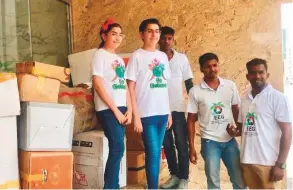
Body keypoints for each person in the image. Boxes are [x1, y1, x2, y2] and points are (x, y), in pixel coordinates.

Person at [227, 58, 292, 189]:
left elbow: (287, 132)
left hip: (268, 163)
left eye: (261, 72)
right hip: (247, 161)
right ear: (247, 76)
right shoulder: (244, 100)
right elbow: (242, 129)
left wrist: (280, 164)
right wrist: (234, 132)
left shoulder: (278, 98)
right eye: (253, 72)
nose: (257, 76)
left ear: (267, 75)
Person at [187, 53, 246, 189]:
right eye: (208, 67)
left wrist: (238, 131)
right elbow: (191, 120)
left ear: (218, 65)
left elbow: (237, 110)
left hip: (229, 140)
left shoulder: (229, 86)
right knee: (213, 182)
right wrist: (191, 147)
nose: (212, 69)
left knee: (239, 179)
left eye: (214, 65)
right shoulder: (195, 91)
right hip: (209, 142)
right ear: (201, 69)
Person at [126, 18, 172, 189]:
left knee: (157, 153)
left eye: (157, 31)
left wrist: (169, 113)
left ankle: (151, 184)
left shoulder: (162, 57)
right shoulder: (137, 56)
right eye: (150, 31)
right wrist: (135, 117)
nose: (154, 34)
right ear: (142, 34)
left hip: (162, 113)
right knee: (152, 153)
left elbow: (165, 86)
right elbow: (130, 88)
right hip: (146, 113)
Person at [92, 18, 132, 189]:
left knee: (118, 148)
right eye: (113, 34)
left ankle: (112, 185)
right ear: (103, 35)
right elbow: (98, 84)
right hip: (108, 109)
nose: (117, 38)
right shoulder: (99, 55)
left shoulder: (118, 58)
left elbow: (123, 85)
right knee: (117, 148)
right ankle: (110, 187)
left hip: (121, 107)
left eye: (120, 35)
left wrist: (129, 109)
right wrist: (115, 110)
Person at [158, 26, 193, 189]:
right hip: (160, 109)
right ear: (159, 39)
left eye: (169, 38)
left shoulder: (181, 59)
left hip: (177, 108)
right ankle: (174, 175)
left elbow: (189, 83)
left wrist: (194, 105)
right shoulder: (155, 59)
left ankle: (184, 178)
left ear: (173, 40)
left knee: (181, 143)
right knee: (167, 144)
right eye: (164, 38)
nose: (166, 41)